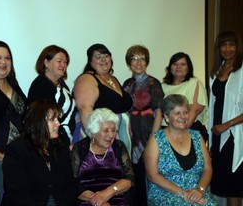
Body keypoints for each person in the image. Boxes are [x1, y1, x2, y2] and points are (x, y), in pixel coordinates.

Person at [144, 94, 217, 205]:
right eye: (177, 113)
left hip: (195, 192)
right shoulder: (156, 139)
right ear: (167, 117)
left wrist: (200, 190)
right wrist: (183, 193)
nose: (183, 117)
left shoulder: (197, 136)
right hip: (165, 193)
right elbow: (152, 175)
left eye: (185, 112)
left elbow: (207, 168)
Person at [1, 100, 77, 205]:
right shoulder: (17, 150)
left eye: (57, 119)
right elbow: (19, 195)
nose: (58, 123)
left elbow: (70, 186)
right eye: (52, 119)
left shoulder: (60, 147)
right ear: (38, 122)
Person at [73, 43, 133, 155]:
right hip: (100, 137)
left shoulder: (113, 79)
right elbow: (84, 108)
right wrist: (96, 140)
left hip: (118, 136)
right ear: (90, 62)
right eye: (98, 57)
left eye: (106, 56)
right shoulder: (87, 79)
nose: (103, 59)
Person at [123, 44, 164, 206]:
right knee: (136, 179)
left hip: (148, 137)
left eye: (142, 58)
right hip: (131, 138)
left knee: (150, 178)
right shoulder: (126, 84)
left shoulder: (154, 83)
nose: (138, 62)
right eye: (134, 58)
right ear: (129, 63)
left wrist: (153, 138)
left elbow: (159, 112)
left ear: (147, 61)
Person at [71, 108, 134, 206]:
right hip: (88, 200)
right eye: (105, 130)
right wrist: (98, 200)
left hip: (117, 197)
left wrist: (107, 193)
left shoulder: (119, 146)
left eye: (113, 130)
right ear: (93, 132)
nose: (111, 135)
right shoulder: (80, 148)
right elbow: (72, 182)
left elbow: (130, 178)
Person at [208, 30, 243, 206]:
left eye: (232, 44)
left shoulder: (242, 70)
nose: (228, 48)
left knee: (234, 186)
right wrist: (211, 139)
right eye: (223, 44)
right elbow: (213, 106)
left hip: (236, 136)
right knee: (223, 184)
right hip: (217, 134)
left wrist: (227, 125)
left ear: (238, 47)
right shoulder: (216, 71)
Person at [28, 45, 76, 145]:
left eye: (65, 62)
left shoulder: (61, 83)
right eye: (59, 61)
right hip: (53, 143)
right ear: (46, 63)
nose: (63, 65)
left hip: (66, 139)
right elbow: (42, 120)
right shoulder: (40, 85)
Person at [162, 52, 209, 143]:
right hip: (166, 130)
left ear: (188, 68)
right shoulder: (162, 86)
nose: (178, 67)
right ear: (170, 68)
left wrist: (178, 133)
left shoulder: (194, 82)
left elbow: (195, 110)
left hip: (189, 129)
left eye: (183, 64)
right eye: (175, 64)